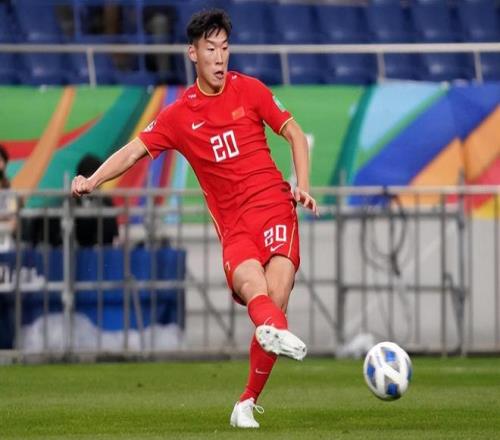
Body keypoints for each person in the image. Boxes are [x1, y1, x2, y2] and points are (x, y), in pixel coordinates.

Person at [71, 9, 318, 429]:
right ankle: (270, 335)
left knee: (274, 297)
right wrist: (93, 179)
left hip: (275, 208)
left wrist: (304, 185)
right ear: (193, 54)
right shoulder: (179, 115)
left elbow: (294, 133)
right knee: (254, 289)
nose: (220, 58)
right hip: (235, 226)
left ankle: (246, 400)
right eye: (211, 49)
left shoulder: (250, 89)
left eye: (225, 48)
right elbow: (133, 151)